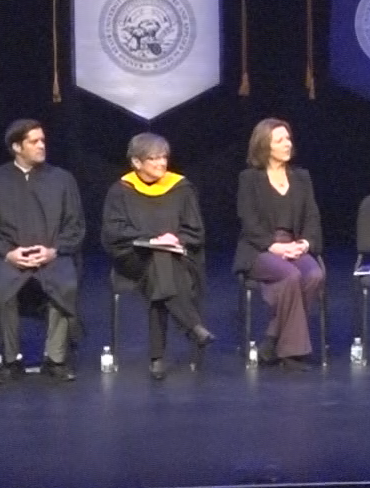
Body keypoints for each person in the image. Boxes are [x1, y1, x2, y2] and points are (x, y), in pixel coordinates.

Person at [0, 119, 86, 383]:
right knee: (0, 287)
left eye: (43, 140)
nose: (42, 145)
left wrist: (53, 251)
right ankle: (10, 359)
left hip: (51, 256)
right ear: (16, 146)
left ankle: (55, 358)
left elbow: (75, 227)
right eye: (34, 141)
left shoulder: (62, 180)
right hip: (9, 257)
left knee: (66, 283)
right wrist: (8, 253)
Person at [101, 132, 213, 380]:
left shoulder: (181, 188)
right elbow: (114, 232)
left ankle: (158, 357)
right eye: (153, 158)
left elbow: (195, 231)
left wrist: (174, 241)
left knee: (161, 266)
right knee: (158, 261)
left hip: (175, 258)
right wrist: (152, 240)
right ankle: (191, 326)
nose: (162, 163)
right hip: (133, 258)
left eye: (164, 157)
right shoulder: (121, 190)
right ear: (136, 163)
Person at [235, 118, 325, 367]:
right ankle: (291, 353)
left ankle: (273, 338)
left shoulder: (301, 177)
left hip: (294, 245)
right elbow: (248, 220)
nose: (288, 144)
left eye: (288, 138)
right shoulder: (249, 179)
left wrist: (305, 244)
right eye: (280, 140)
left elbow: (312, 216)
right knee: (290, 276)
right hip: (260, 249)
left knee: (314, 275)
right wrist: (273, 246)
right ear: (265, 146)